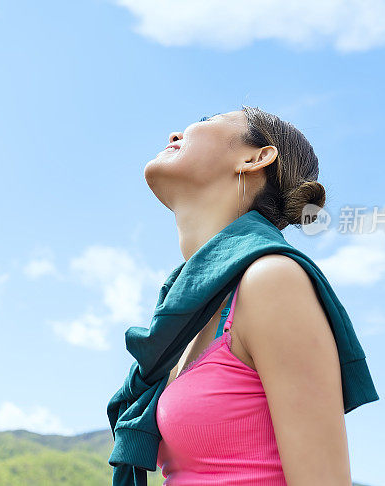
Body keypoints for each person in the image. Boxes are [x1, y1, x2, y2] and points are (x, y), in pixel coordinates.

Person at [143, 106, 351, 485]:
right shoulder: (189, 316)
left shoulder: (272, 281)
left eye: (206, 120)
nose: (174, 132)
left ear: (256, 158)